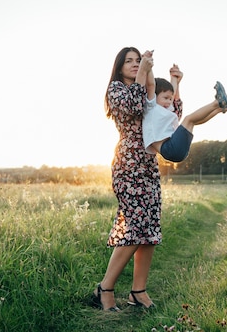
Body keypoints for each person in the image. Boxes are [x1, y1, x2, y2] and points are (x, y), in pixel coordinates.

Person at [91, 47, 159, 311]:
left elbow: (166, 110)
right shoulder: (117, 90)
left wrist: (175, 83)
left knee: (149, 230)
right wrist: (144, 70)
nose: (134, 64)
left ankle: (137, 292)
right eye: (129, 61)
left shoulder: (146, 85)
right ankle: (104, 289)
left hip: (149, 164)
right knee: (134, 227)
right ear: (119, 67)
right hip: (128, 164)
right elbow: (134, 105)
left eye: (137, 60)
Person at [142, 62, 227, 163]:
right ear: (154, 95)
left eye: (170, 99)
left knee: (194, 122)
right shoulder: (151, 107)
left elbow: (173, 90)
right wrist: (148, 66)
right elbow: (151, 84)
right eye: (165, 98)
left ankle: (220, 108)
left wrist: (174, 78)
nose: (168, 102)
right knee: (189, 119)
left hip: (175, 150)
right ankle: (217, 102)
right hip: (169, 149)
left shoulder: (165, 109)